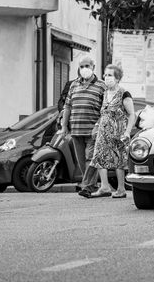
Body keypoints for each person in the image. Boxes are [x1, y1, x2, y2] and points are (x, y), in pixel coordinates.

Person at [59, 55, 105, 197]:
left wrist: (98, 126)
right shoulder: (74, 85)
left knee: (90, 158)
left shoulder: (101, 85)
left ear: (93, 67)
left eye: (87, 66)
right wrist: (64, 126)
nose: (84, 69)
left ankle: (86, 186)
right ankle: (91, 185)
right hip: (76, 130)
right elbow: (67, 106)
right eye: (82, 66)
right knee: (81, 160)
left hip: (92, 130)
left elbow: (105, 109)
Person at [89, 64, 135, 198]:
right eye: (105, 74)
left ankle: (121, 189)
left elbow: (132, 114)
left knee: (118, 158)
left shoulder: (123, 93)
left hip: (118, 130)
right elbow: (104, 113)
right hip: (103, 131)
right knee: (98, 156)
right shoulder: (104, 93)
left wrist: (127, 132)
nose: (106, 77)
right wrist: (97, 126)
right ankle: (104, 187)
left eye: (109, 75)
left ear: (117, 78)